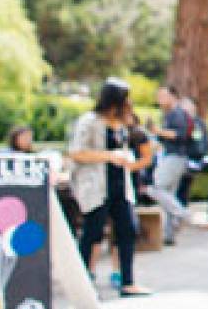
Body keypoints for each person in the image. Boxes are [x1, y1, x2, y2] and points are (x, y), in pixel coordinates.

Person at [68, 79, 153, 297]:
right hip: (96, 186)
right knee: (92, 233)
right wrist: (109, 156)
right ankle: (83, 282)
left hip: (120, 185)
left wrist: (127, 160)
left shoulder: (122, 124)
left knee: (128, 230)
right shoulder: (90, 122)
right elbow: (77, 152)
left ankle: (127, 281)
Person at [149, 86, 192, 244]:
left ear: (173, 97)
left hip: (175, 156)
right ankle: (169, 234)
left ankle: (181, 213)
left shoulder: (177, 114)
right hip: (171, 156)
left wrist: (157, 131)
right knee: (168, 195)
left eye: (163, 96)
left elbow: (178, 134)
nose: (160, 99)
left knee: (157, 188)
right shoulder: (168, 115)